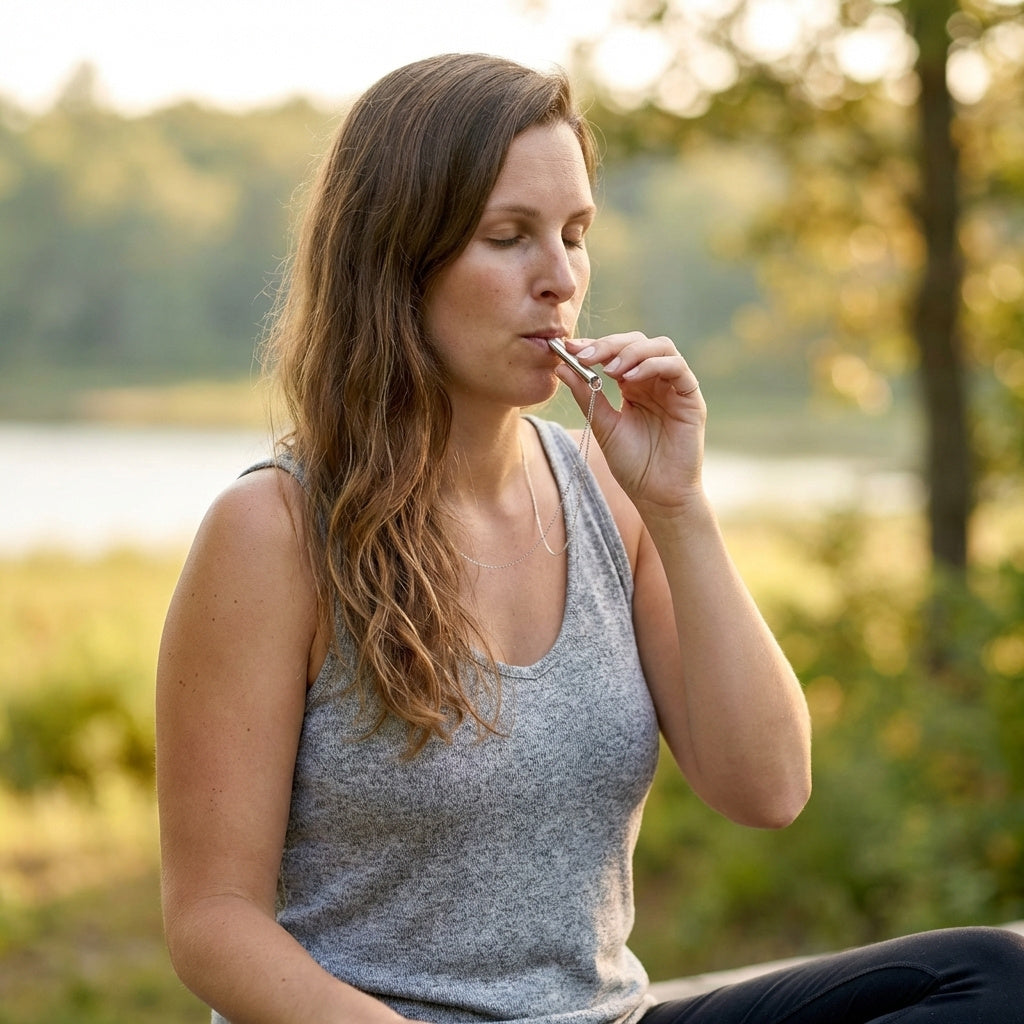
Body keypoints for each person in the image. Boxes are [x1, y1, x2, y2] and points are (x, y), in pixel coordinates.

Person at [155, 52, 1024, 1024]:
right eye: (508, 237)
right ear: (397, 259)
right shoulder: (272, 532)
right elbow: (213, 920)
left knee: (993, 979)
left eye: (574, 235)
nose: (561, 278)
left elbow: (769, 787)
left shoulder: (611, 496)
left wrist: (678, 507)